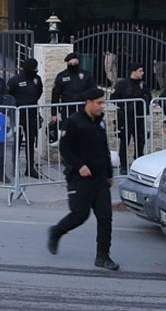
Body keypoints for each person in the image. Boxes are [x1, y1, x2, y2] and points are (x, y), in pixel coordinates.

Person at [48, 88, 118, 271]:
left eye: (103, 103)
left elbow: (104, 149)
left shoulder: (99, 123)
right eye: (99, 103)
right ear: (88, 102)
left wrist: (109, 174)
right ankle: (56, 231)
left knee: (105, 217)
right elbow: (65, 148)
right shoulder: (73, 122)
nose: (102, 106)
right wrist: (79, 166)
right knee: (80, 215)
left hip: (100, 178)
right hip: (80, 179)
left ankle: (103, 256)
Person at [7, 57, 44, 178]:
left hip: (32, 114)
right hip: (18, 115)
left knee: (30, 141)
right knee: (17, 141)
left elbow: (39, 92)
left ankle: (30, 167)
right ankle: (14, 166)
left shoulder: (37, 80)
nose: (36, 70)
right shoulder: (15, 80)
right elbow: (8, 95)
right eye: (34, 68)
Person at [112, 61, 151, 172]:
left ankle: (138, 162)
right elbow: (114, 98)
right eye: (140, 71)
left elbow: (148, 97)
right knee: (124, 142)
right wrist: (125, 106)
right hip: (125, 117)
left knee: (140, 141)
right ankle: (123, 166)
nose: (142, 73)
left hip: (140, 117)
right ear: (133, 72)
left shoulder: (142, 84)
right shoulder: (122, 84)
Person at [50, 52, 95, 127]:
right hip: (67, 109)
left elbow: (93, 91)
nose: (73, 66)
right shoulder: (62, 76)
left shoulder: (86, 75)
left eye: (75, 63)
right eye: (71, 64)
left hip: (83, 109)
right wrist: (54, 113)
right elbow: (55, 95)